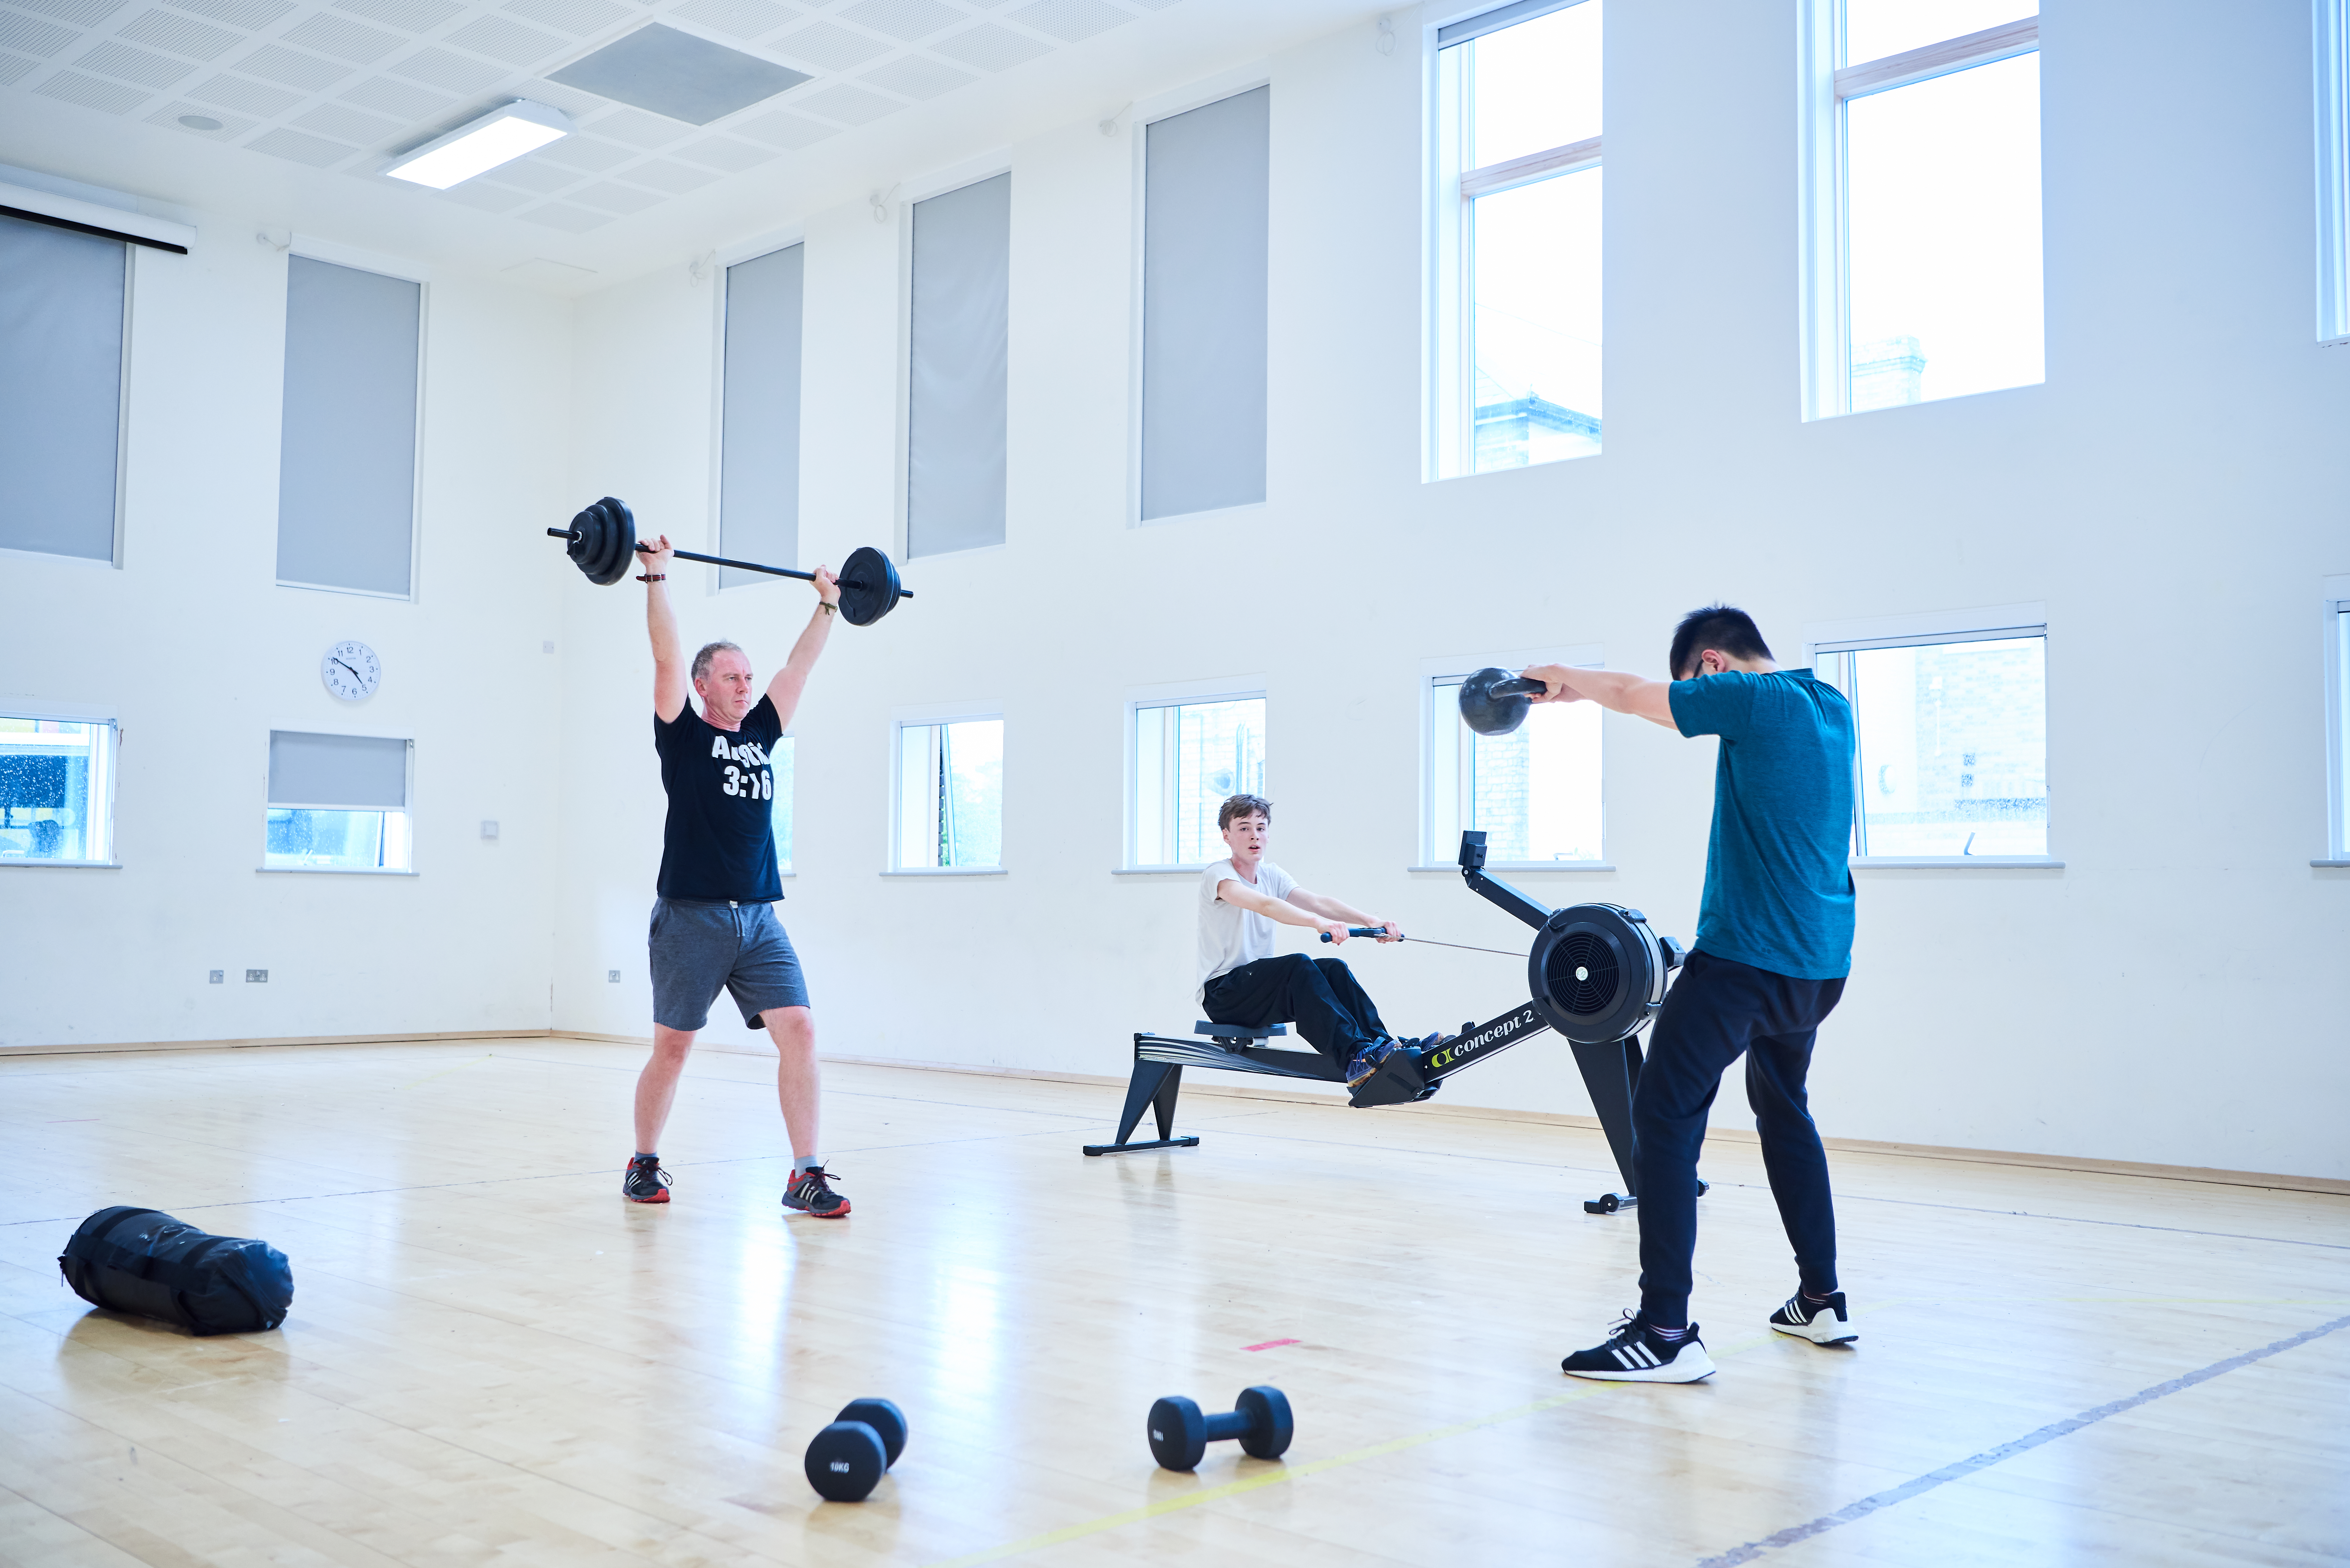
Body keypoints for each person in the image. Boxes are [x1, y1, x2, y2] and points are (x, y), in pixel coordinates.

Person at [1525, 606, 1857, 1383]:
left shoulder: (1748, 697)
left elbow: (1641, 694)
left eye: (1694, 690)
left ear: (1710, 666)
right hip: (1819, 966)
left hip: (1747, 962)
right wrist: (1588, 693)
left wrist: (1566, 678)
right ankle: (1822, 1297)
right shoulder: (1828, 703)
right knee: (1783, 1105)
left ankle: (1665, 1329)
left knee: (1663, 1114)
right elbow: (1642, 693)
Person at [622, 532, 850, 1219]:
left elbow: (798, 670)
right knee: (673, 1047)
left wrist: (828, 606)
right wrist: (656, 579)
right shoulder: (683, 735)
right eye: (731, 677)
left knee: (801, 1031)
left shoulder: (761, 733)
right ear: (702, 686)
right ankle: (643, 1161)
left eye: (748, 677)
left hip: (757, 918)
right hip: (689, 916)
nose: (746, 686)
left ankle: (804, 1174)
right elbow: (664, 653)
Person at [1197, 794, 1440, 1087]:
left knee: (1333, 968)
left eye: (1261, 828)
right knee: (1297, 965)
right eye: (1244, 828)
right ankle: (1355, 1055)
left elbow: (1317, 902)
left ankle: (1384, 1046)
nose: (1254, 836)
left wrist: (1370, 921)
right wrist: (1317, 924)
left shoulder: (1271, 874)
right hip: (1224, 993)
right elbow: (1266, 906)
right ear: (1227, 836)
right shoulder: (1219, 875)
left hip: (1257, 990)